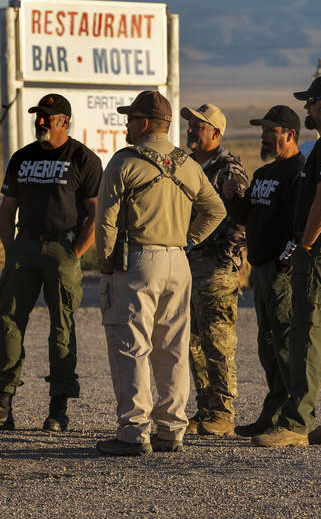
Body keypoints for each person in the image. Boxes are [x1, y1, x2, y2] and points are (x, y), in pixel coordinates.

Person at [95, 90, 226, 456]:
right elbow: (215, 210)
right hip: (177, 264)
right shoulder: (188, 164)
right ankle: (171, 429)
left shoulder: (124, 163)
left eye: (131, 118)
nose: (126, 123)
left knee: (131, 346)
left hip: (137, 262)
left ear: (146, 123)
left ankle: (134, 431)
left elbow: (104, 224)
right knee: (173, 347)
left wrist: (106, 267)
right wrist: (187, 241)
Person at [252, 76, 321, 448]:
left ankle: (296, 422)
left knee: (310, 332)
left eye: (312, 102)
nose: (307, 109)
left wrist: (306, 244)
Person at [0, 93, 102, 432]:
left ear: (64, 121)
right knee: (9, 324)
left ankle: (58, 409)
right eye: (39, 115)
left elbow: (96, 214)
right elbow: (7, 208)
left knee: (61, 329)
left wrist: (76, 254)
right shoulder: (22, 158)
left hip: (62, 249)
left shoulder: (83, 159)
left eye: (48, 116)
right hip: (24, 247)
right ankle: (2, 404)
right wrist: (11, 250)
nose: (40, 121)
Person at [223, 105, 305, 438]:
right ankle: (272, 413)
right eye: (263, 129)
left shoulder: (298, 173)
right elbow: (249, 217)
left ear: (290, 134)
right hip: (260, 271)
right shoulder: (263, 175)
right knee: (267, 345)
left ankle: (294, 418)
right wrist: (233, 199)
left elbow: (301, 225)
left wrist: (286, 260)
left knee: (286, 343)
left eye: (271, 130)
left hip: (280, 270)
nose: (264, 135)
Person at [179, 102, 249, 436]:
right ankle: (206, 409)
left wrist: (226, 258)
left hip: (215, 268)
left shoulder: (228, 169)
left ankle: (223, 412)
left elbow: (240, 217)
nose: (191, 130)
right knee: (193, 341)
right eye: (190, 125)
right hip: (188, 264)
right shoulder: (186, 165)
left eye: (198, 126)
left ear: (216, 133)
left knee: (218, 342)